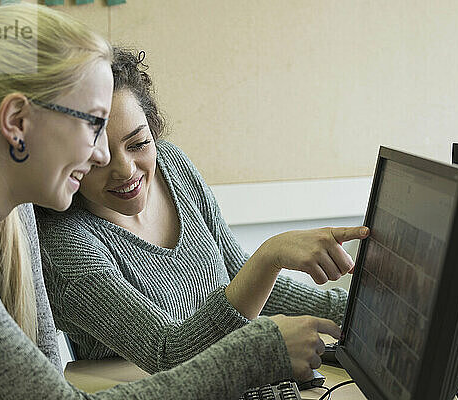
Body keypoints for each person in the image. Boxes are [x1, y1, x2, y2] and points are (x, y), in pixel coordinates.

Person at [0, 4, 342, 399]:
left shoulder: (14, 218)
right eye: (93, 123)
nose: (104, 155)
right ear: (17, 122)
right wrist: (258, 352)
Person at [35, 48, 369, 375]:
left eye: (139, 144)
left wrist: (357, 313)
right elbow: (168, 353)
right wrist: (270, 255)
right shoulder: (63, 243)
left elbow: (245, 282)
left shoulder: (173, 166)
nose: (126, 170)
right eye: (100, 156)